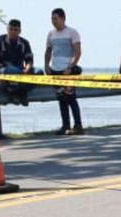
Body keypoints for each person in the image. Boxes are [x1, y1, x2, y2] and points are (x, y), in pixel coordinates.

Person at [45, 8, 84, 136]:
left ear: (62, 18)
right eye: (52, 19)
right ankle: (65, 125)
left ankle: (78, 125)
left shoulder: (72, 33)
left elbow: (77, 51)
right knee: (61, 98)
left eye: (55, 18)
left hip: (67, 70)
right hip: (55, 70)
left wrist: (71, 66)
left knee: (71, 98)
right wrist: (46, 65)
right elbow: (48, 51)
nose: (53, 21)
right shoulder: (51, 34)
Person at [0, 19, 36, 106]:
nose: (13, 32)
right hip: (4, 70)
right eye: (11, 29)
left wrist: (27, 70)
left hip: (20, 70)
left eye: (16, 30)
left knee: (38, 73)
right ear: (7, 29)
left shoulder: (24, 43)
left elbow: (29, 60)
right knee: (11, 71)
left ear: (19, 31)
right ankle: (18, 93)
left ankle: (20, 93)